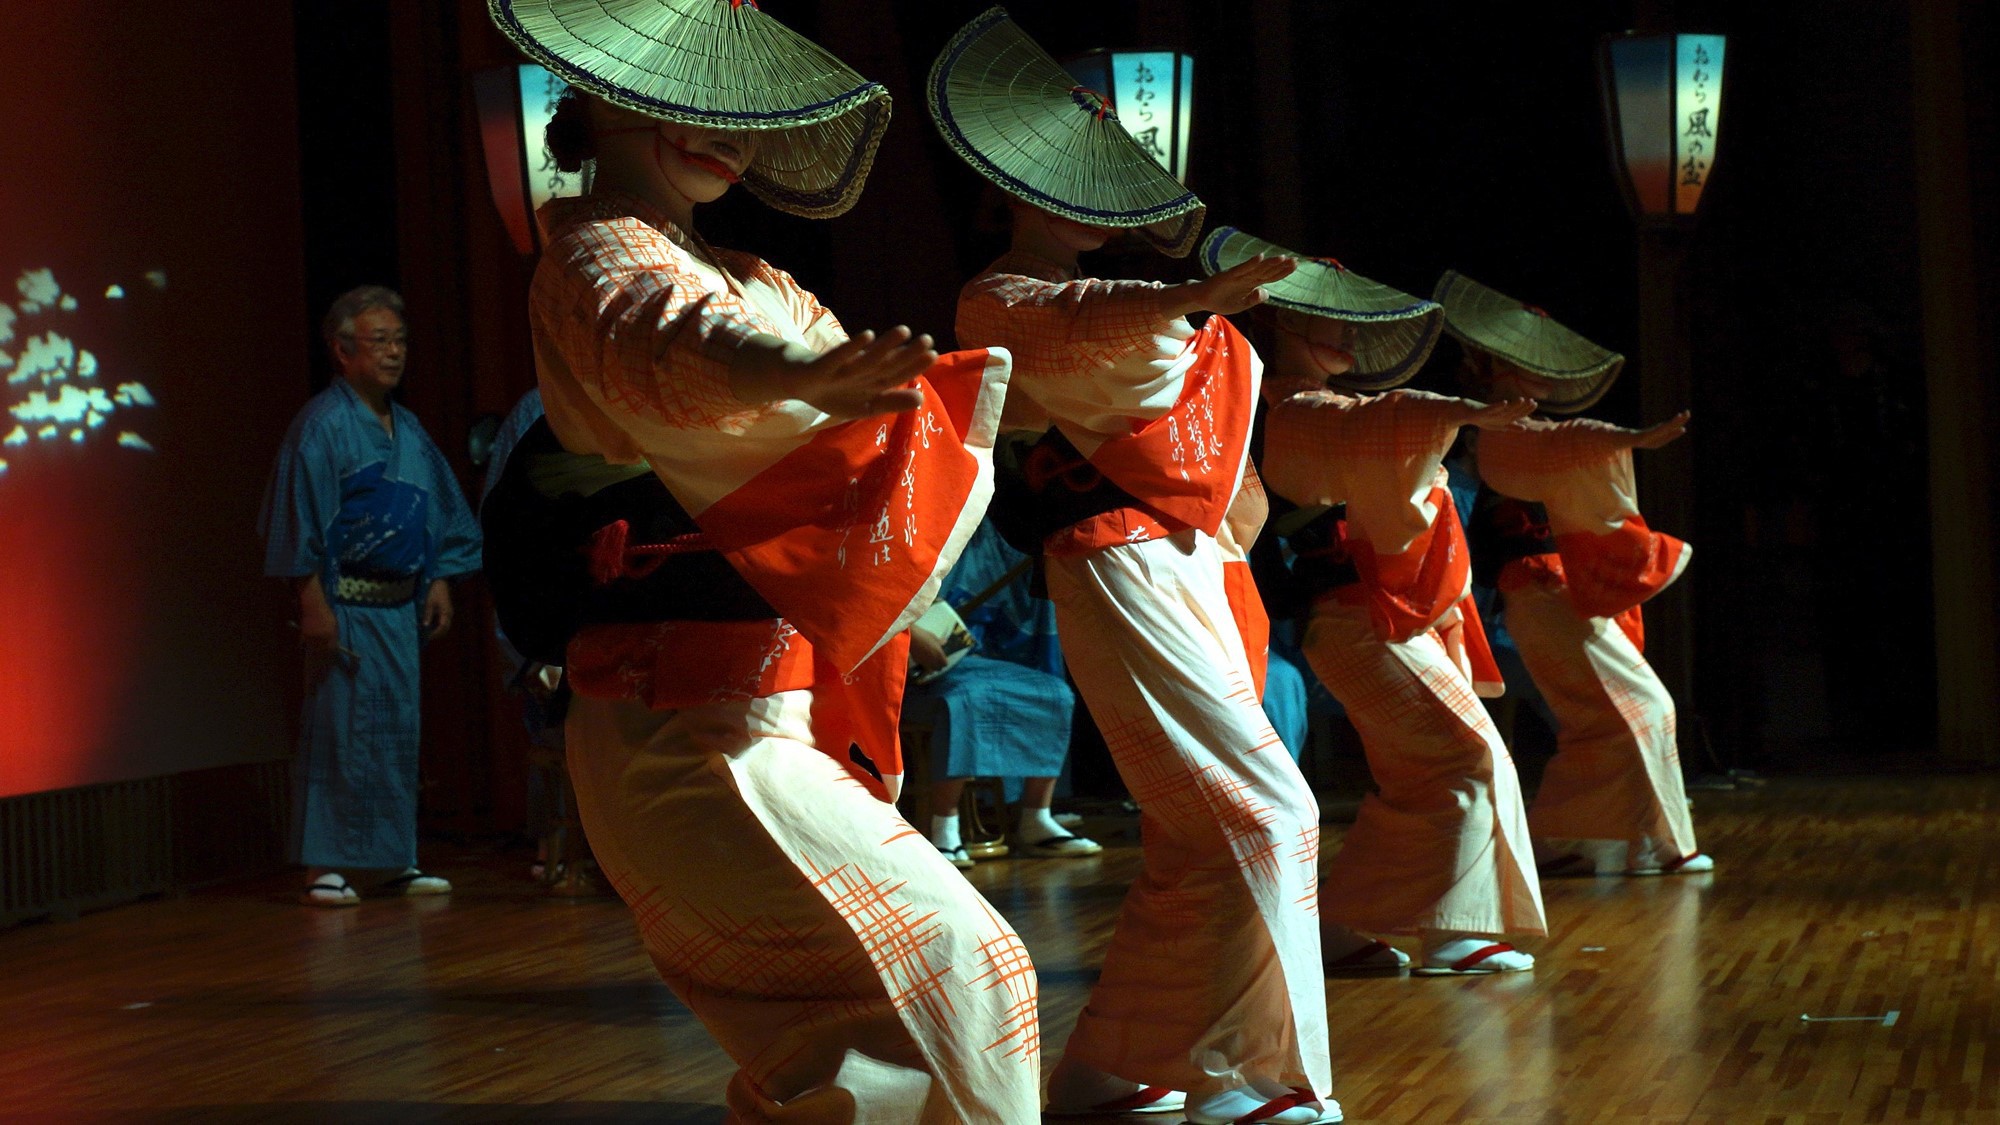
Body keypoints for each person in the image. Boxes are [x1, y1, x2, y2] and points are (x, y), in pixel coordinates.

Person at [487, 1, 1037, 1119]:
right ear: (599, 104)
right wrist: (797, 376)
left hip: (758, 715)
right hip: (680, 734)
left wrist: (864, 392)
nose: (723, 134)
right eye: (688, 104)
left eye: (735, 112)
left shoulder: (752, 270)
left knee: (839, 1048)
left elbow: (853, 397)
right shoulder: (593, 255)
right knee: (961, 969)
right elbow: (667, 338)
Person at [932, 15, 1335, 1123]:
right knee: (1266, 811)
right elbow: (1084, 319)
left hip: (1190, 555)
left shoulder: (1129, 305)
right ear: (1009, 189)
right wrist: (1186, 301)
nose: (1084, 207)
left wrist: (1191, 310)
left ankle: (1114, 1067)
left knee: (1200, 838)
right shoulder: (999, 298)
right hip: (1115, 558)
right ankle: (1254, 1076)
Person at [1201, 230, 1545, 978]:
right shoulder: (1283, 410)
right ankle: (1451, 927)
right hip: (1358, 617)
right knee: (1463, 756)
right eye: (1333, 321)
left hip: (1379, 615)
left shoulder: (1329, 407)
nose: (1351, 335)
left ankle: (1341, 922)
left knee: (1431, 770)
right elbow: (1358, 433)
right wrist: (1436, 412)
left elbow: (1374, 427)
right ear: (1286, 322)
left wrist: (1434, 414)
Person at [1436, 270, 1710, 877]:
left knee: (1601, 720)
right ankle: (1665, 844)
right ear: (1494, 365)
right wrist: (1627, 439)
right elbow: (1566, 445)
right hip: (1538, 590)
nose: (1539, 371)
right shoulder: (1490, 430)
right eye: (1524, 361)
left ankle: (1567, 838)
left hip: (1548, 591)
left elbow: (1566, 442)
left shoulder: (1517, 431)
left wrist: (1620, 439)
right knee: (1644, 705)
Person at [259, 284, 483, 907]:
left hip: (399, 609)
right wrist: (312, 602)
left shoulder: (407, 429)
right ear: (341, 350)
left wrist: (438, 578)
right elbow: (298, 519)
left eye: (399, 340)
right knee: (339, 731)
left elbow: (444, 513)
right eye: (378, 341)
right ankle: (324, 864)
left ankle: (391, 860)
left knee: (392, 732)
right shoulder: (322, 427)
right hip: (346, 605)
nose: (393, 353)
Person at [906, 519, 1100, 867]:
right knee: (965, 697)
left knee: (1054, 693)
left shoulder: (988, 538)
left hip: (967, 661)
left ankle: (1036, 816)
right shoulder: (911, 525)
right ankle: (944, 828)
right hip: (902, 670)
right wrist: (907, 633)